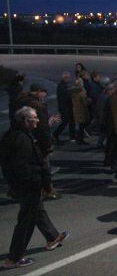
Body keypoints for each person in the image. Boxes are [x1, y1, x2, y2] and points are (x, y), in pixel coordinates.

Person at [1, 107, 69, 269]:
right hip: (29, 186)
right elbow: (25, 167)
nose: (37, 120)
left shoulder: (14, 135)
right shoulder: (21, 139)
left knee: (36, 211)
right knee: (25, 223)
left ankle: (52, 237)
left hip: (24, 185)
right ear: (25, 121)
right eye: (34, 118)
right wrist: (39, 183)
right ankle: (14, 258)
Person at [53, 72, 75, 143]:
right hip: (65, 108)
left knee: (70, 121)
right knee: (66, 122)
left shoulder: (63, 85)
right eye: (67, 77)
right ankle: (56, 134)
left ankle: (72, 137)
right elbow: (65, 98)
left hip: (66, 107)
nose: (69, 79)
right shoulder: (62, 86)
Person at [70, 79, 91, 145]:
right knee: (82, 125)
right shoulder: (81, 92)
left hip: (76, 109)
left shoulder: (73, 92)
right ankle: (80, 140)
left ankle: (78, 139)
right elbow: (85, 102)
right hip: (82, 110)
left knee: (80, 126)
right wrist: (89, 100)